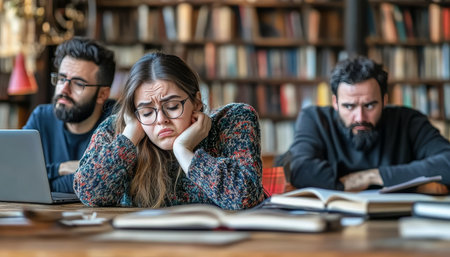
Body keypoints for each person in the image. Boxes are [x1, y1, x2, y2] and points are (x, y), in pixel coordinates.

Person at [73, 52, 264, 209]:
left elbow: (245, 198)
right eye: (147, 112)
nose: (161, 120)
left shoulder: (233, 120)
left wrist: (183, 150)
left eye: (172, 106)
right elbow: (89, 194)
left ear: (196, 101)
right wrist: (129, 137)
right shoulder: (119, 131)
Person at [288, 56, 450, 192]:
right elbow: (299, 169)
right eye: (349, 106)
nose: (360, 117)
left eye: (370, 105)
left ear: (385, 100)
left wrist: (373, 176)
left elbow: (447, 162)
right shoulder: (315, 119)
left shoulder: (408, 121)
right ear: (335, 102)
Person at [23, 37, 116, 193]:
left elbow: (101, 186)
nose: (64, 90)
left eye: (78, 83)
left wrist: (44, 179)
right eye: (61, 78)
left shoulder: (117, 122)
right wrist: (62, 168)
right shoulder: (41, 118)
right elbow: (15, 175)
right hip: (42, 216)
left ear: (102, 94)